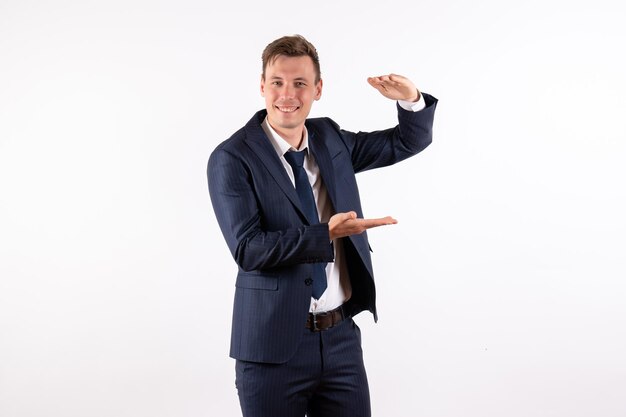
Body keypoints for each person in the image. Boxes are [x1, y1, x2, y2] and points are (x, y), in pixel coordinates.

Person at [207, 34, 437, 417]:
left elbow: (405, 142)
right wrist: (324, 234)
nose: (287, 94)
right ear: (262, 86)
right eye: (277, 82)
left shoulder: (330, 139)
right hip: (271, 349)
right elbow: (248, 250)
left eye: (300, 84)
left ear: (318, 89)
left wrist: (411, 99)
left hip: (340, 340)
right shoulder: (232, 158)